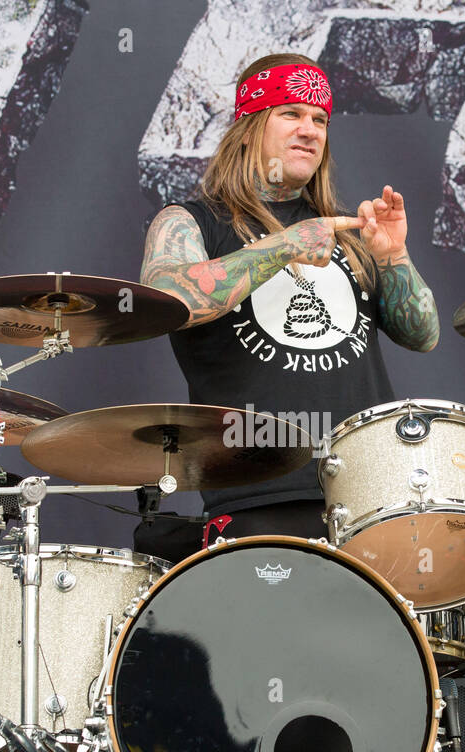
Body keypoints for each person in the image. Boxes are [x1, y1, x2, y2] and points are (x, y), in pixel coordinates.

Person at [136, 53, 439, 563]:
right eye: (290, 114)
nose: (310, 130)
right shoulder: (189, 221)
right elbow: (169, 299)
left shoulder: (346, 230)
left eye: (320, 119)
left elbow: (423, 334)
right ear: (250, 127)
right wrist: (284, 246)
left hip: (371, 492)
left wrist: (393, 256)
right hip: (261, 492)